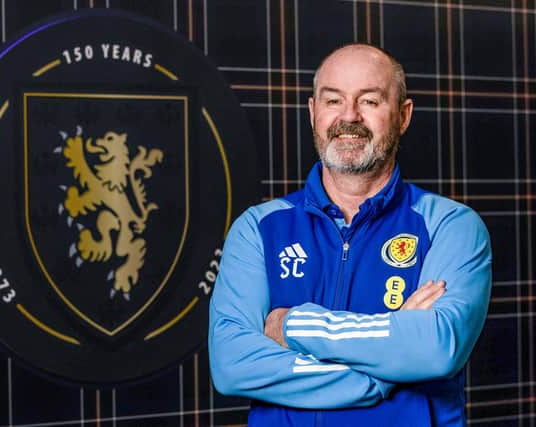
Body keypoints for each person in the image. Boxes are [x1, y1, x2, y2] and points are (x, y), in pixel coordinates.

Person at [208, 43, 492, 427]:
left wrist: (292, 325)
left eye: (370, 101)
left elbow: (435, 347)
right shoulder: (258, 229)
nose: (349, 117)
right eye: (333, 101)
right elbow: (232, 365)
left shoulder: (450, 225)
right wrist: (379, 374)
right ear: (313, 113)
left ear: (403, 116)